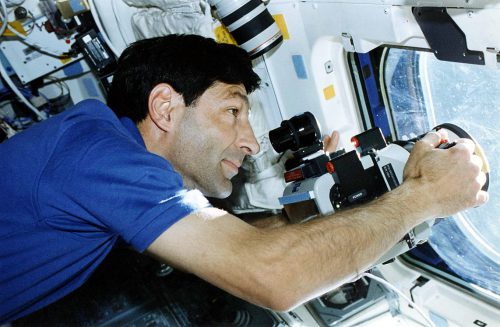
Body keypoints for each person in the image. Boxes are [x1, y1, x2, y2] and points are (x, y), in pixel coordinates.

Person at [0, 34, 488, 323]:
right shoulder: (96, 154)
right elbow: (272, 275)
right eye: (232, 110)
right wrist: (422, 197)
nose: (252, 142)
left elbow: (218, 241)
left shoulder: (105, 155)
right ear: (165, 107)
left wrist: (328, 211)